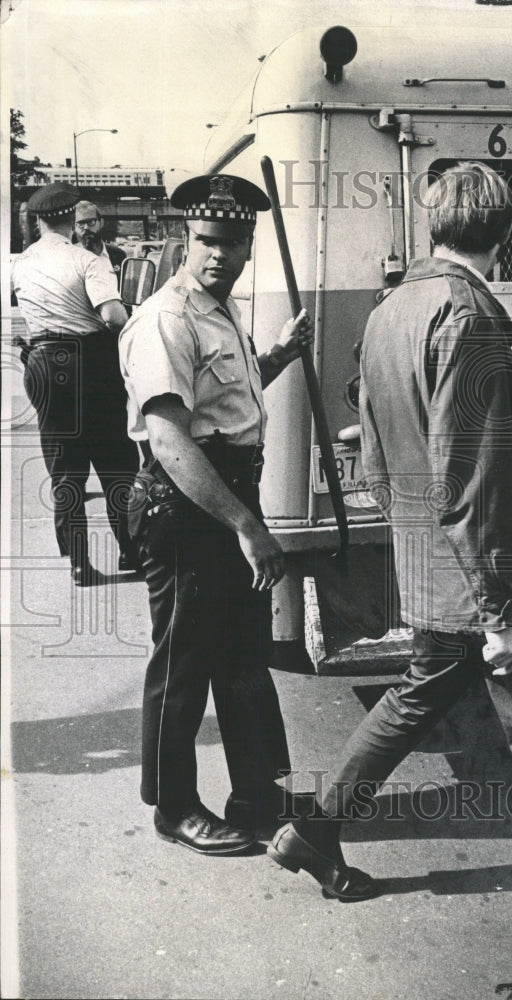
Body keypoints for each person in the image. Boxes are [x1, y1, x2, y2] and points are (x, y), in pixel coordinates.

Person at [268, 163, 512, 966]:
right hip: (497, 574)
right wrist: (499, 612)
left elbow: (370, 448)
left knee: (412, 699)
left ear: (432, 221)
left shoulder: (391, 309)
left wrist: (419, 549)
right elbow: (471, 476)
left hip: (432, 568)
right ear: (506, 232)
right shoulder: (471, 316)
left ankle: (313, 828)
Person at [119, 173, 313, 856]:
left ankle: (257, 792)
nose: (216, 255)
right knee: (184, 662)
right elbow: (171, 438)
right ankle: (174, 807)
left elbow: (223, 401)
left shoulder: (217, 309)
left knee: (241, 655)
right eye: (205, 241)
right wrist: (248, 527)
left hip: (224, 493)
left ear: (248, 244)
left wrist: (281, 356)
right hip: (186, 506)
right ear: (182, 238)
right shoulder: (166, 317)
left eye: (231, 242)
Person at [11, 182, 140, 585]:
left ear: (37, 221)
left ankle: (79, 562)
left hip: (44, 363)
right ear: (70, 218)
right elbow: (114, 317)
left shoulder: (20, 264)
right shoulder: (86, 260)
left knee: (65, 470)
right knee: (117, 462)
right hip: (91, 363)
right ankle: (132, 550)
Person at [73, 201, 127, 284]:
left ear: (101, 223)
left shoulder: (119, 255)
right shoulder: (70, 257)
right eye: (81, 223)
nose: (86, 227)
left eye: (91, 222)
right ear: (74, 227)